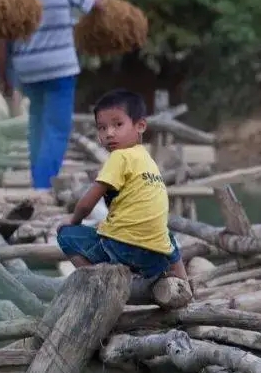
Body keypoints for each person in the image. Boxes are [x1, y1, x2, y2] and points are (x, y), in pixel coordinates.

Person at [0, 0, 101, 191]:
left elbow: (0, 41)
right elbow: (99, 6)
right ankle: (42, 188)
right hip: (60, 70)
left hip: (27, 72)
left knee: (38, 123)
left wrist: (4, 78)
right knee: (56, 129)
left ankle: (36, 180)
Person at [57, 89, 188, 281]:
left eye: (118, 124)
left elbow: (87, 204)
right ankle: (183, 279)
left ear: (140, 125)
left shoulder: (119, 156)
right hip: (156, 258)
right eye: (102, 128)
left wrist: (73, 220)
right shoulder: (147, 160)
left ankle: (97, 282)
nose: (109, 133)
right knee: (162, 230)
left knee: (65, 235)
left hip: (123, 249)